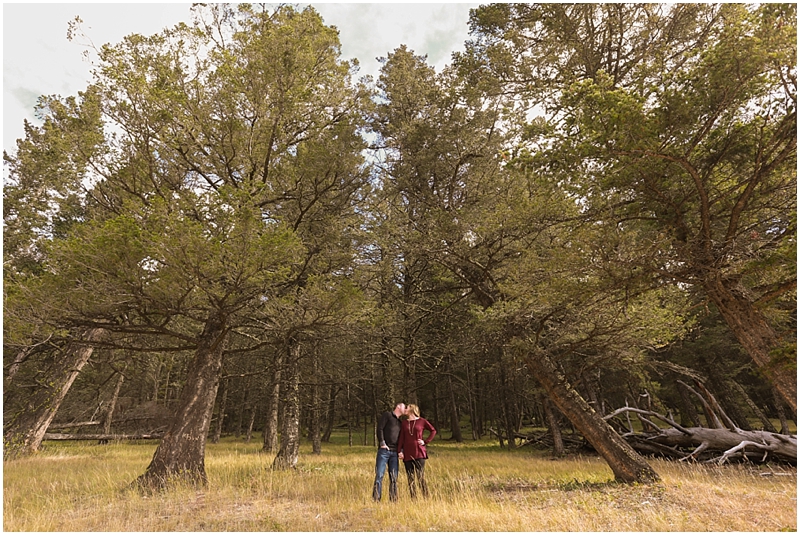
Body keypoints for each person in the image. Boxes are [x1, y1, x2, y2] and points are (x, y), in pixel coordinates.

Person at [397, 403, 436, 499]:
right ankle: (413, 498)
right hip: (407, 452)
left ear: (412, 409)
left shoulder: (422, 421)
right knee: (410, 477)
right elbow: (401, 438)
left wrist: (425, 441)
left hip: (419, 452)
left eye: (407, 407)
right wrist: (399, 451)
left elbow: (433, 430)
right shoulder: (404, 423)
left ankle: (426, 496)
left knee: (420, 476)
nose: (405, 409)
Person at [373, 402, 405, 502]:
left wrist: (401, 450)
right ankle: (376, 499)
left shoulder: (400, 423)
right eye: (404, 407)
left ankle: (393, 500)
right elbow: (380, 428)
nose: (406, 409)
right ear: (398, 407)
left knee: (394, 477)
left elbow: (402, 438)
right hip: (384, 451)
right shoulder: (387, 415)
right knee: (379, 475)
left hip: (395, 452)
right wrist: (382, 443)